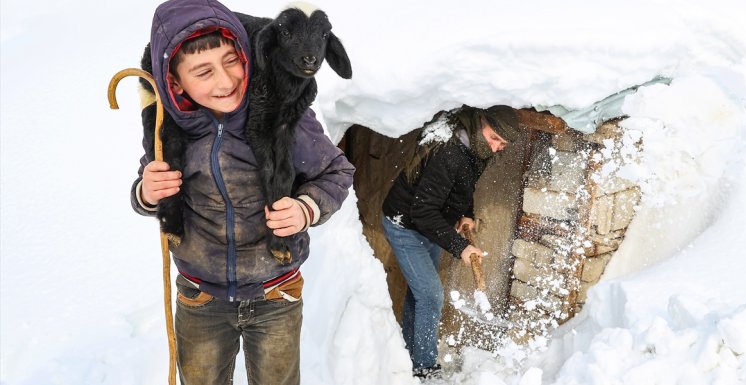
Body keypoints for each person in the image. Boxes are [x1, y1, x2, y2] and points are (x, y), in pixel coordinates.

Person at [129, 0, 355, 384]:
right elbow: (149, 186)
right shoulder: (171, 130)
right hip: (199, 297)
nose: (225, 81)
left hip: (275, 294)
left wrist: (306, 208)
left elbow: (337, 171)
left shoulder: (281, 116)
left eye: (232, 60)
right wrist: (146, 193)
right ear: (174, 82)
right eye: (203, 71)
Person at [381, 105, 519, 379]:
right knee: (431, 295)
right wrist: (460, 247)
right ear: (482, 123)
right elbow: (422, 211)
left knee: (421, 294)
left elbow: (464, 184)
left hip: (432, 226)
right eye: (494, 139)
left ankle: (409, 354)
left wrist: (467, 213)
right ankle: (425, 369)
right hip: (405, 224)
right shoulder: (449, 152)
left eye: (502, 144)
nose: (496, 148)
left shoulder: (477, 148)